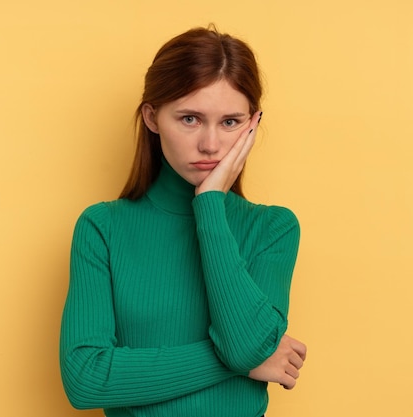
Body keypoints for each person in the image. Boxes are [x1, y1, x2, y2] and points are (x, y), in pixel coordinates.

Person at [60, 25, 307, 417]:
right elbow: (86, 379)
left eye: (230, 122)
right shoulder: (102, 228)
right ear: (153, 117)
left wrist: (209, 203)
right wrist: (245, 359)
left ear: (252, 125)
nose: (210, 144)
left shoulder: (272, 229)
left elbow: (244, 347)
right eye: (190, 118)